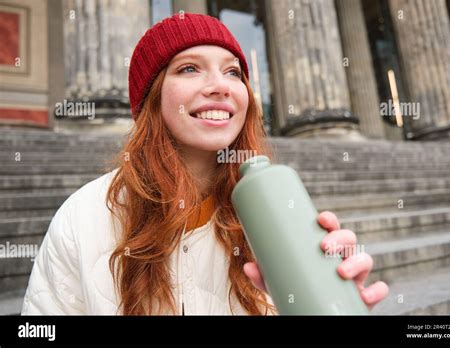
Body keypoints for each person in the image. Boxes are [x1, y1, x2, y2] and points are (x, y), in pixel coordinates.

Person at [21, 13, 388, 315]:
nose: (221, 86)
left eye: (232, 72)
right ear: (153, 97)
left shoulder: (281, 210)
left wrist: (336, 301)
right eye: (189, 68)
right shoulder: (82, 216)